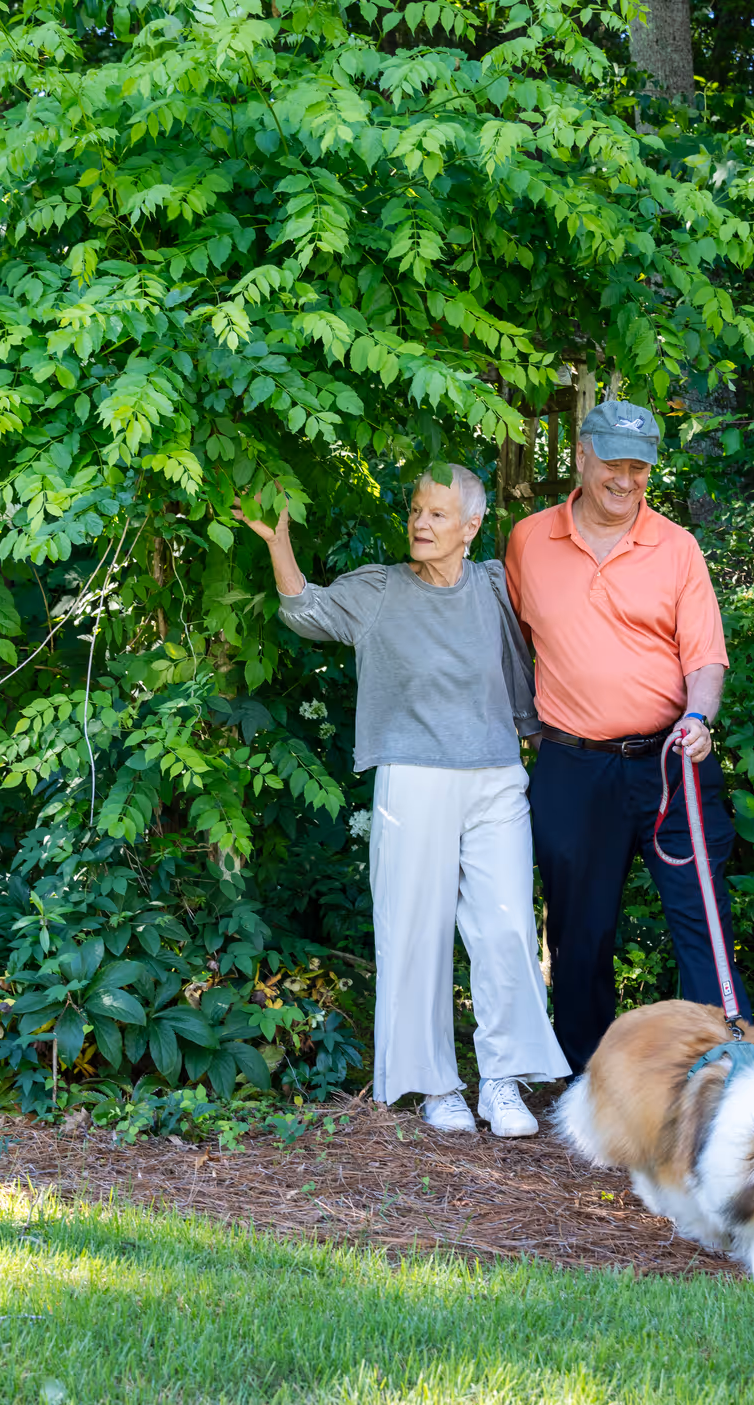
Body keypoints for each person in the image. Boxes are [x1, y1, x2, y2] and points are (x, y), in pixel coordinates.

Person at [237, 468, 572, 1137]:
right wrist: (278, 545)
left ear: (472, 527)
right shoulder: (380, 589)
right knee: (415, 930)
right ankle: (436, 1084)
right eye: (417, 510)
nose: (421, 523)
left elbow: (532, 654)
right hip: (414, 776)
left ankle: (502, 1080)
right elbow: (305, 610)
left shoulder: (494, 586)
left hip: (496, 773)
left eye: (438, 514)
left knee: (505, 925)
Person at [503, 399, 750, 1074]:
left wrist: (698, 718)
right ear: (581, 456)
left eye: (639, 466)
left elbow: (705, 654)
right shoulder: (528, 540)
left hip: (671, 760)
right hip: (572, 762)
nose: (626, 478)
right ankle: (588, 1082)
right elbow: (520, 642)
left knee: (700, 922)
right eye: (613, 462)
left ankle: (725, 1076)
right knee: (579, 934)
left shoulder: (676, 546)